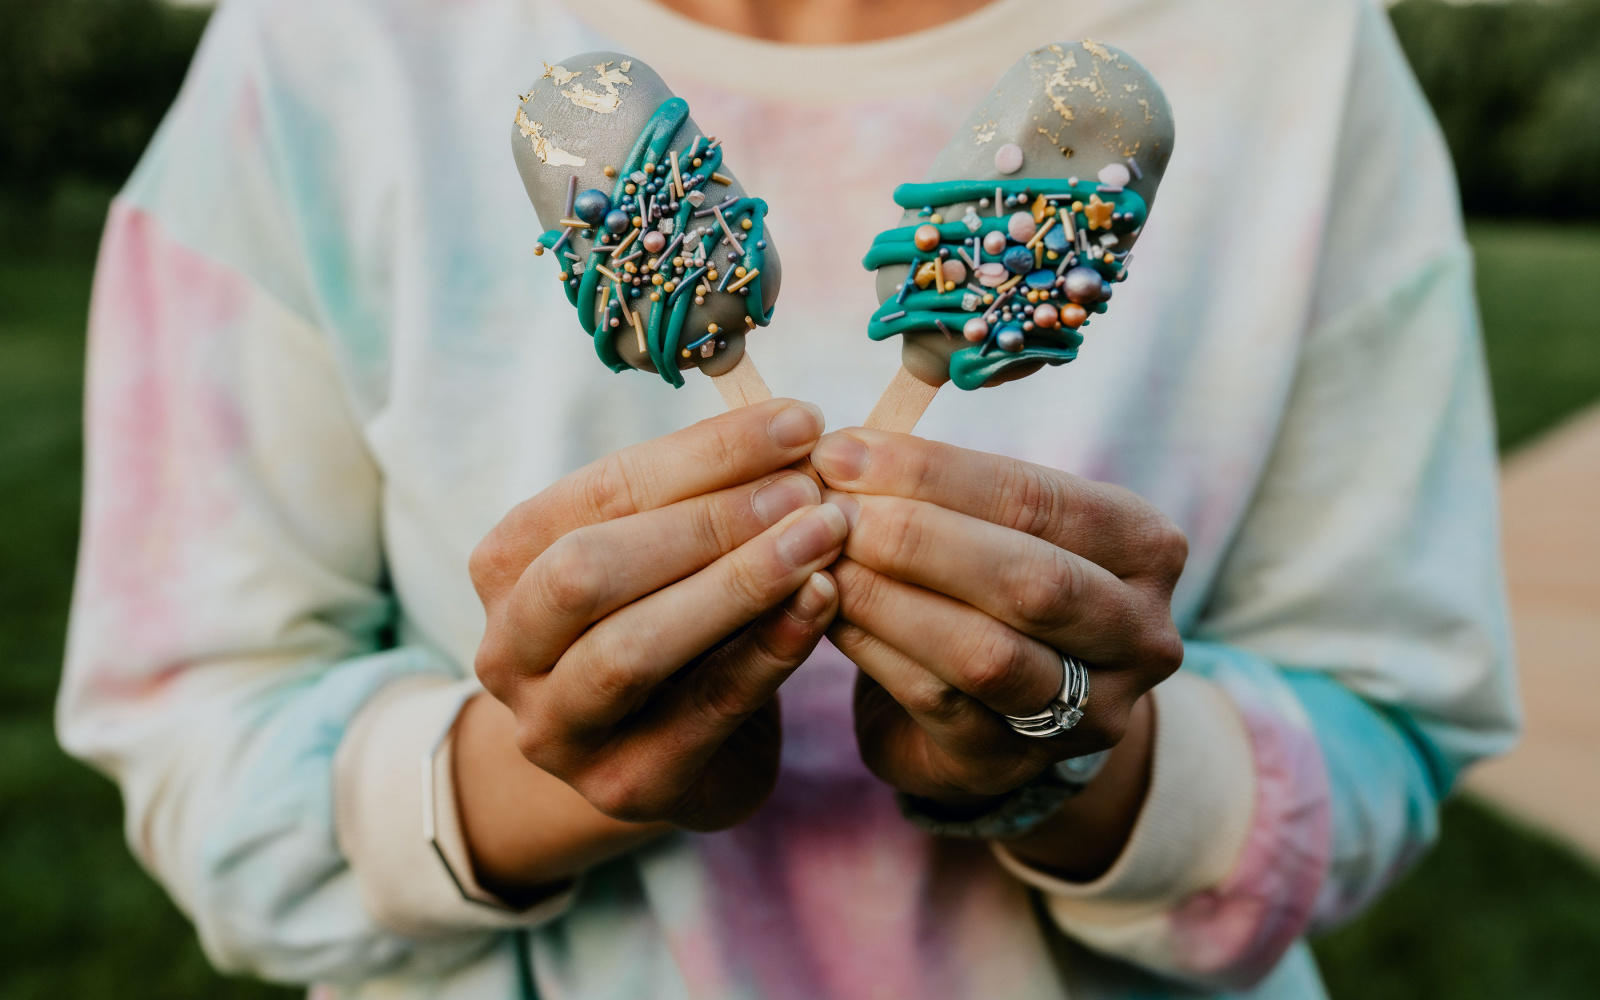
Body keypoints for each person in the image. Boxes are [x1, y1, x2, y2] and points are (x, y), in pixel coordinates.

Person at [57, 0, 1518, 997]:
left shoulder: (1294, 48)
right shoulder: (326, 47)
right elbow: (188, 727)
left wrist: (1081, 762)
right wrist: (530, 775)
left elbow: (1397, 719)